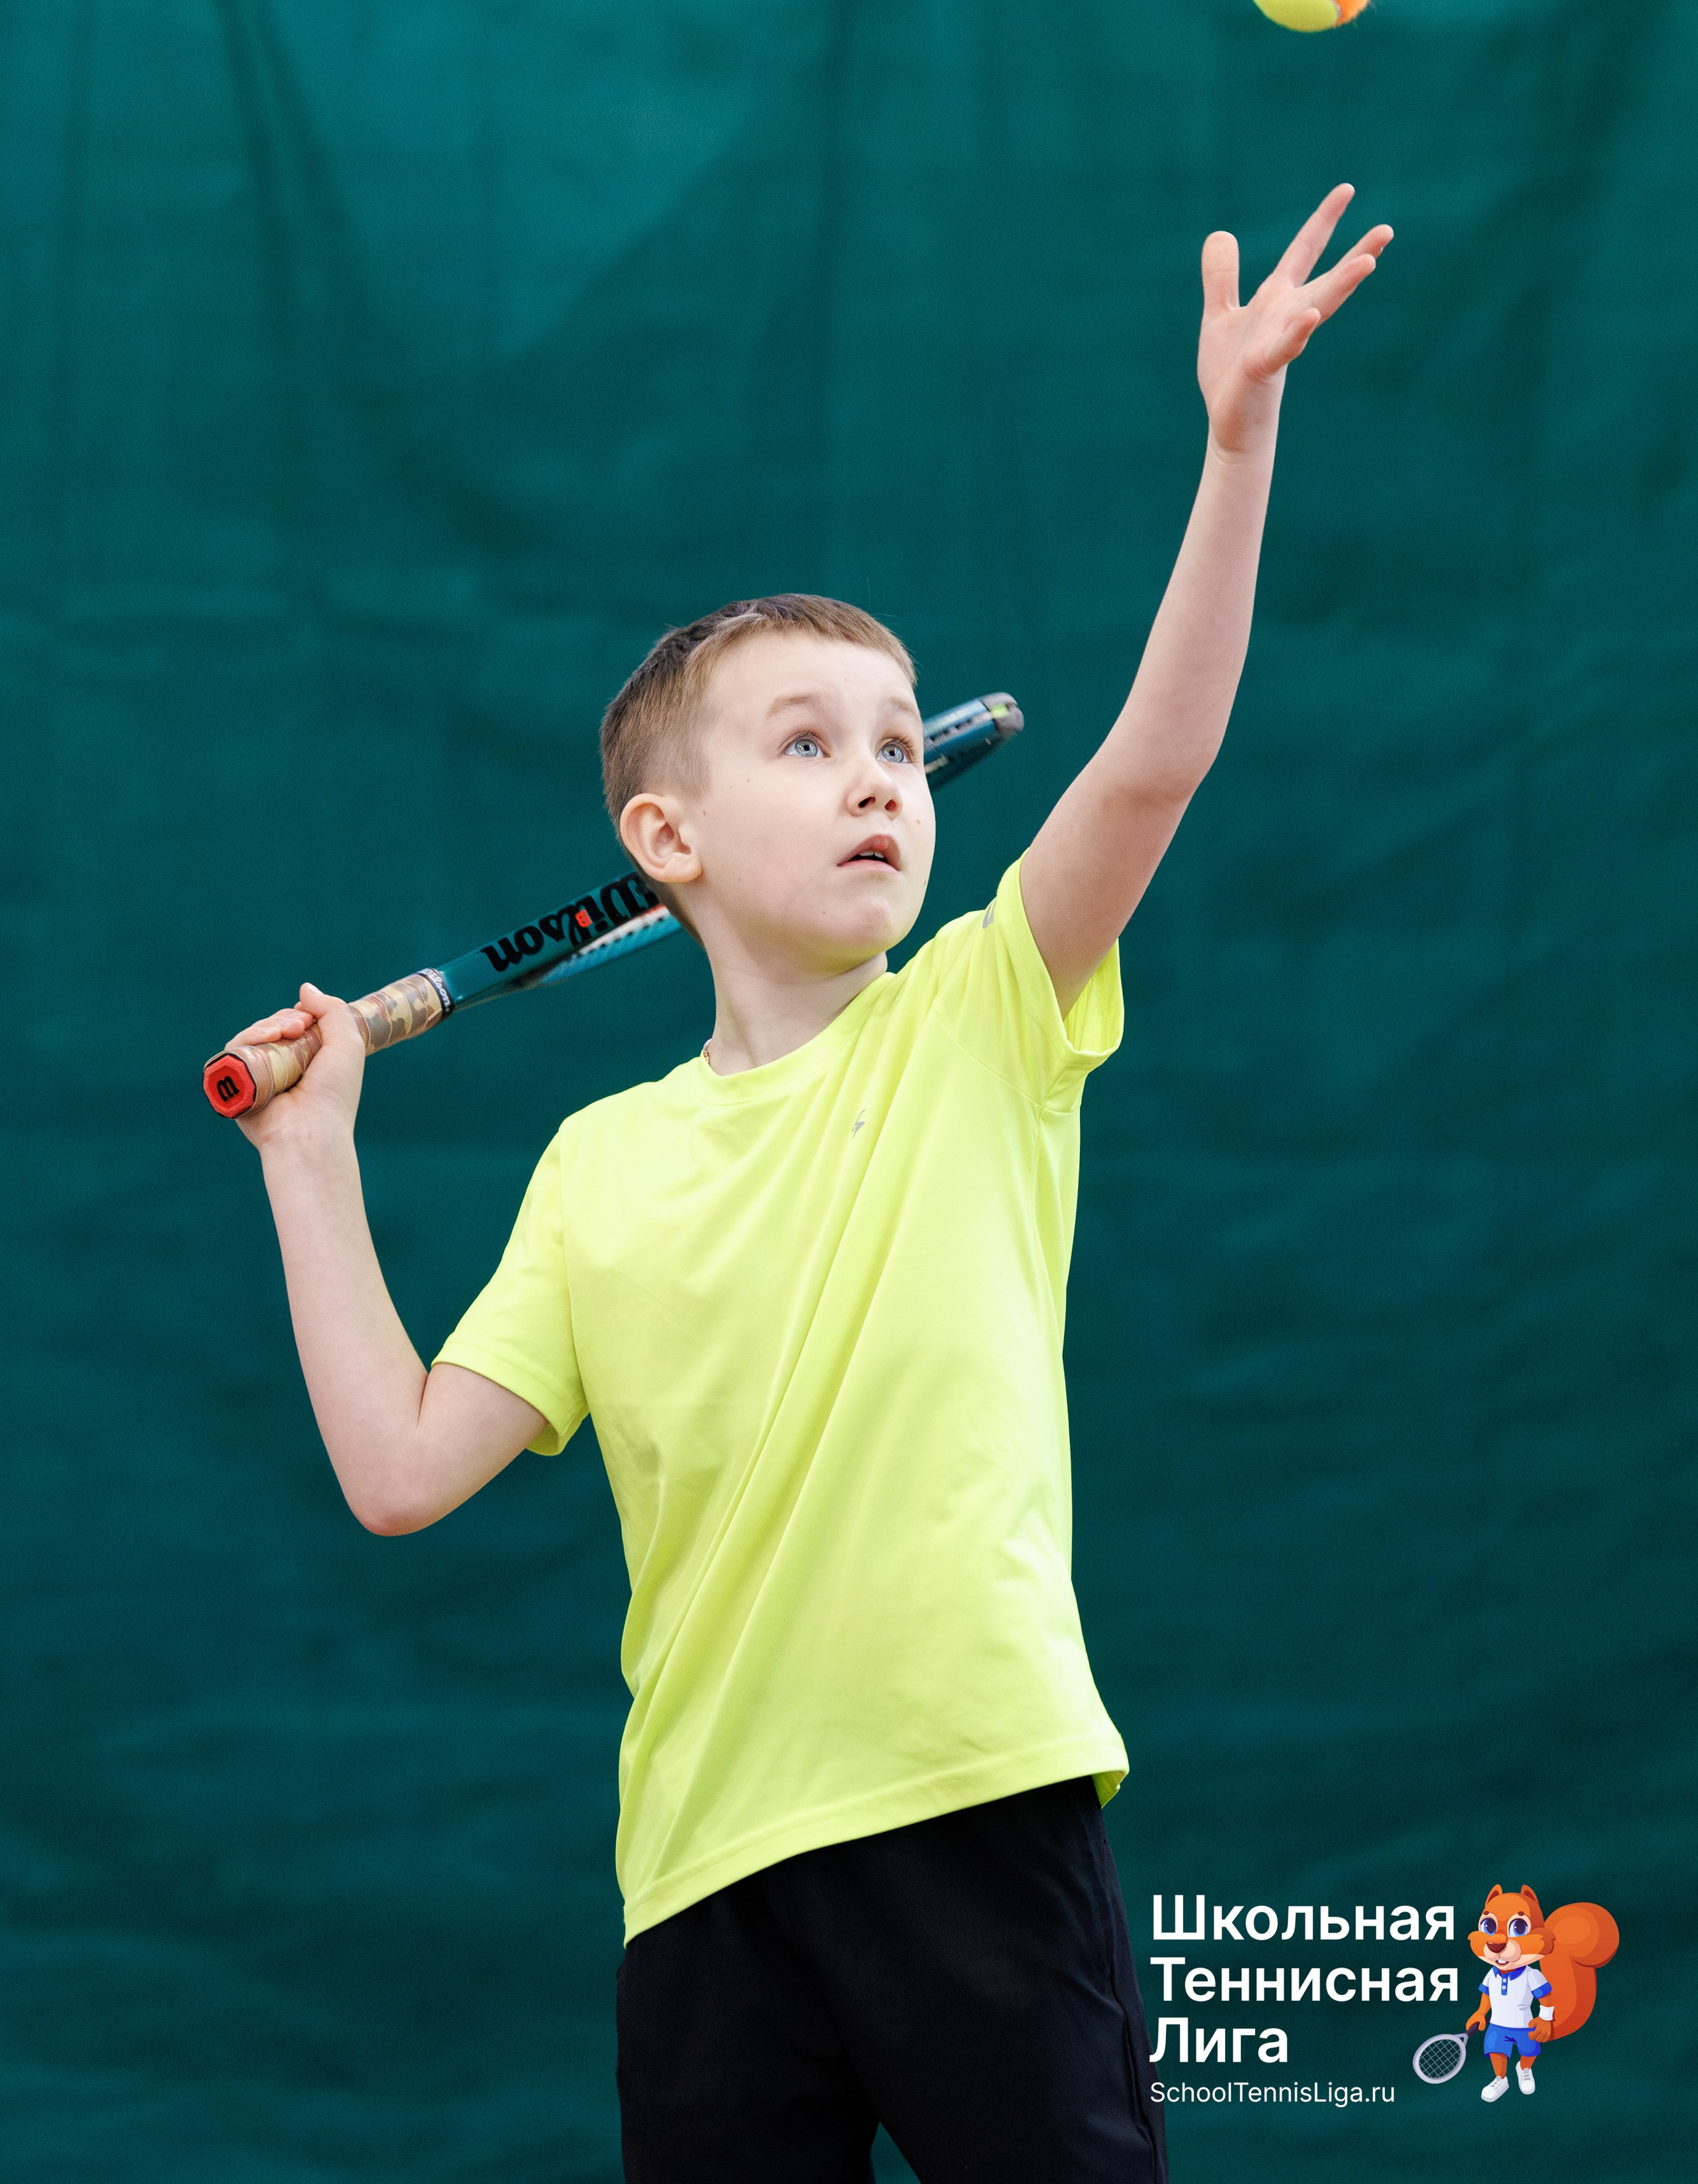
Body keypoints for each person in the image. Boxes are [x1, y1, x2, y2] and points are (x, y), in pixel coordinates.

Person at [226, 184, 1392, 2181]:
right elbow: (401, 1469)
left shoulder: (984, 1018)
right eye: (808, 743)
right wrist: (311, 1162)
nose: (880, 779)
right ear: (659, 837)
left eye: (897, 751)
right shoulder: (600, 1168)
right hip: (703, 1879)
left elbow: (1155, 754)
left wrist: (1238, 438)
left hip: (973, 1807)